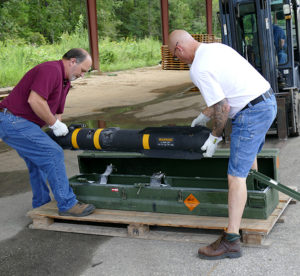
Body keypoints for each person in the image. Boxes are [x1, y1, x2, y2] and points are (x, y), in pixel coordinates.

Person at [168, 30, 277, 259]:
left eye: (177, 57)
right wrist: (204, 115)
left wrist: (214, 137)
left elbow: (223, 107)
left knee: (235, 175)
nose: (180, 60)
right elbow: (226, 91)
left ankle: (232, 240)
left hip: (251, 113)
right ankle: (254, 202)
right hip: (267, 102)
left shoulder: (198, 68)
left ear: (179, 49)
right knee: (247, 160)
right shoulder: (216, 48)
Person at [0, 48, 95, 217]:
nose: (82, 75)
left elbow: (57, 112)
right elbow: (35, 100)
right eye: (82, 70)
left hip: (25, 124)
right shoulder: (51, 70)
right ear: (73, 61)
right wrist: (54, 124)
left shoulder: (65, 82)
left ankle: (41, 204)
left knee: (38, 162)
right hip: (12, 120)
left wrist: (58, 126)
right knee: (52, 153)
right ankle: (67, 204)